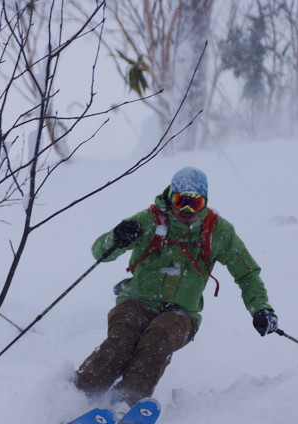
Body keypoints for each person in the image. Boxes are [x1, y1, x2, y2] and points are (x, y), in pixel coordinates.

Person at [73, 167, 278, 407]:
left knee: (158, 338)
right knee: (121, 342)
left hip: (182, 313)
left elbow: (247, 273)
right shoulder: (149, 221)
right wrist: (117, 238)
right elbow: (100, 253)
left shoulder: (218, 231)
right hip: (135, 301)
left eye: (195, 203)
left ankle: (126, 402)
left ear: (206, 202)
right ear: (171, 198)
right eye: (181, 202)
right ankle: (76, 396)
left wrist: (261, 309)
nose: (187, 211)